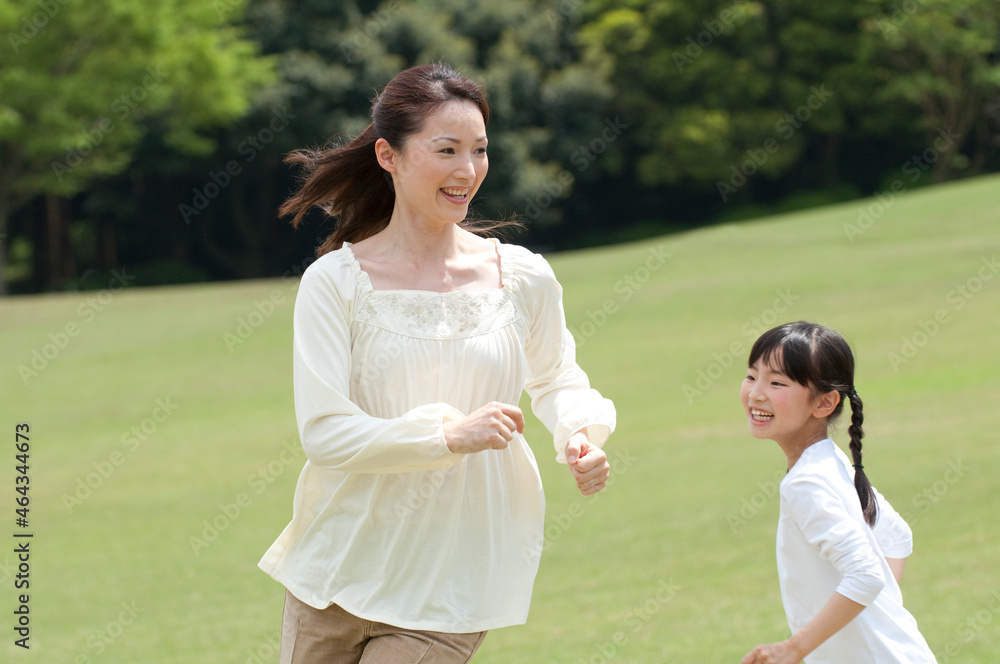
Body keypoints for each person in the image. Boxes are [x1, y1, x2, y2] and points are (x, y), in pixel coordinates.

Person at [258, 62, 617, 664]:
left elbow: (556, 376)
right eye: (447, 150)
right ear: (388, 155)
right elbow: (324, 433)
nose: (468, 170)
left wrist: (578, 432)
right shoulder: (334, 283)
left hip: (453, 576)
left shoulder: (522, 276)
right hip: (336, 570)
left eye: (480, 150)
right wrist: (447, 435)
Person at [739, 322, 937, 664]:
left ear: (825, 402)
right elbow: (897, 537)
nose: (756, 393)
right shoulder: (831, 462)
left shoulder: (806, 483)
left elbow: (866, 574)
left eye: (776, 383)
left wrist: (794, 648)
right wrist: (876, 614)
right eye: (751, 376)